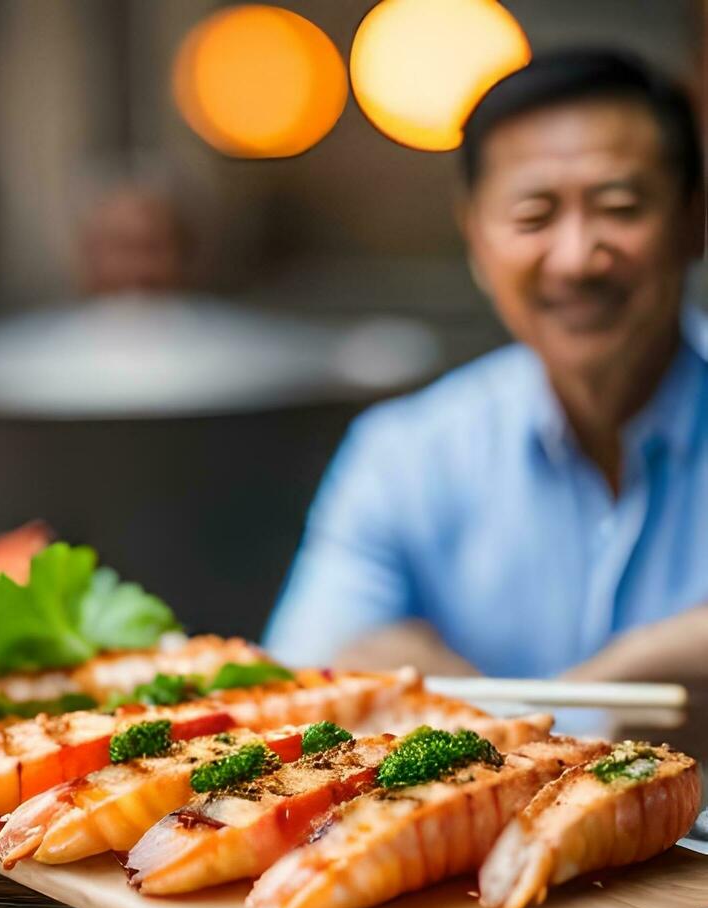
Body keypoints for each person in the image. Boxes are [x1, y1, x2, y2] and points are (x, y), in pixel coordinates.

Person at [264, 50, 708, 682]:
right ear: (475, 237)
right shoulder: (404, 456)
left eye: (620, 207)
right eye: (534, 216)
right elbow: (306, 684)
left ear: (695, 220)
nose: (576, 258)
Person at [75, 176, 192, 296]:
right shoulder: (63, 314)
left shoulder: (208, 313)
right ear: (91, 255)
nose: (140, 269)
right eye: (124, 248)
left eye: (154, 249)